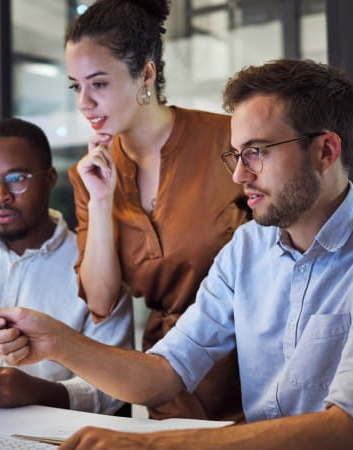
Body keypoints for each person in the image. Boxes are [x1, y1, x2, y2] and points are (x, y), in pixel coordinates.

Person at [0, 60, 353, 449]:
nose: (239, 175)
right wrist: (58, 342)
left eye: (257, 152)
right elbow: (164, 374)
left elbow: (350, 430)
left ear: (325, 151)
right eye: (236, 154)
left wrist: (152, 444)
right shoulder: (247, 249)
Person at [65, 0, 248, 420]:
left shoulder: (229, 140)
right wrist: (103, 198)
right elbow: (102, 299)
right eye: (76, 86)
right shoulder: (91, 174)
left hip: (253, 373)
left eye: (99, 83)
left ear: (145, 74)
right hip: (166, 381)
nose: (85, 103)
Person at [0, 117, 133, 414]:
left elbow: (118, 387)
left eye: (17, 179)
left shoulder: (96, 267)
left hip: (51, 435)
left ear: (50, 179)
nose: (0, 196)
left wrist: (41, 392)